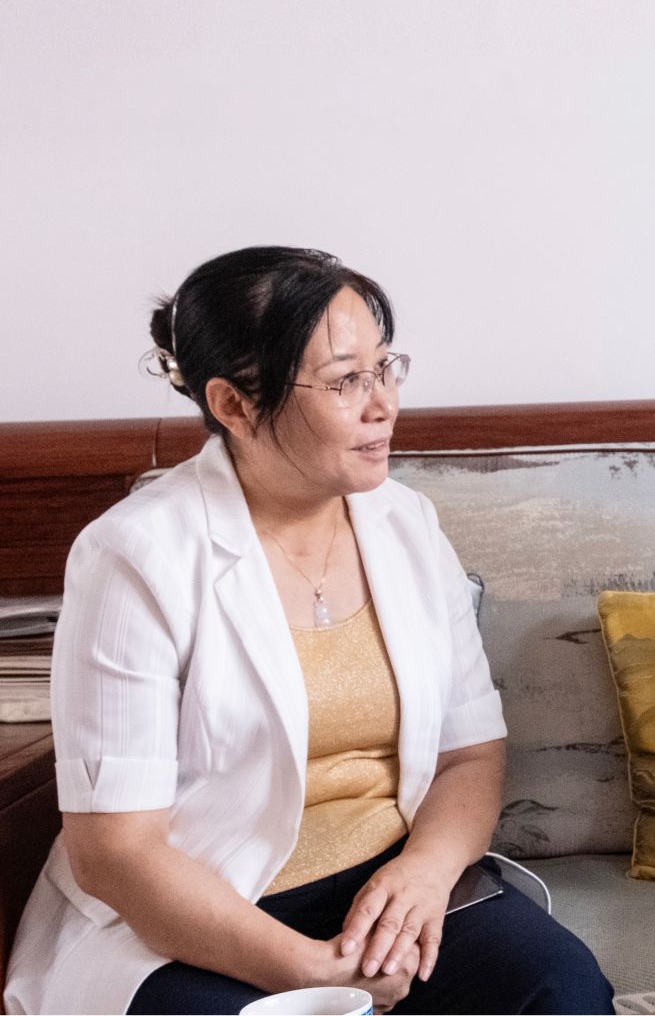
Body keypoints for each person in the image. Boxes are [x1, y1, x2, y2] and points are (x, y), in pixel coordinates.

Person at [3, 248, 612, 1015]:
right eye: (346, 380)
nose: (383, 403)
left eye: (386, 368)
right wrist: (310, 970)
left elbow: (469, 753)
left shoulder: (407, 523)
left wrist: (424, 872)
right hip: (202, 917)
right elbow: (116, 852)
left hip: (387, 888)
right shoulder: (134, 556)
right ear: (233, 404)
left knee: (560, 986)